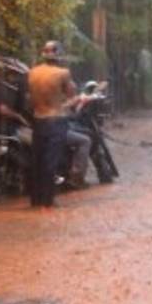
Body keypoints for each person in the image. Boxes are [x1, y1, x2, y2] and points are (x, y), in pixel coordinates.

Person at [26, 41, 88, 207]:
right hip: (55, 120)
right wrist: (78, 100)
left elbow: (30, 99)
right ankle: (48, 201)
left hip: (37, 120)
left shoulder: (32, 72)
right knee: (51, 161)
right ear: (58, 55)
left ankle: (36, 200)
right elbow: (71, 97)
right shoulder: (63, 73)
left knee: (37, 160)